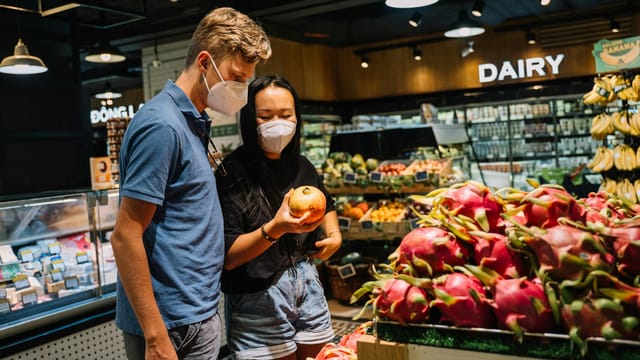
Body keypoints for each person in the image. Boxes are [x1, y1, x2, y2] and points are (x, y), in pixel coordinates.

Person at [110, 7, 271, 360]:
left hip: (195, 313)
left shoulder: (190, 123)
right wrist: (154, 336)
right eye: (236, 77)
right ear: (204, 62)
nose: (241, 89)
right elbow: (125, 234)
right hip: (171, 324)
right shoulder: (162, 126)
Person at [215, 75, 342, 360]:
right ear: (249, 120)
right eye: (265, 116)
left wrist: (334, 236)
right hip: (256, 296)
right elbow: (228, 256)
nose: (278, 123)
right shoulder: (232, 173)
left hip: (307, 283)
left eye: (286, 115)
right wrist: (275, 229)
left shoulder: (302, 165)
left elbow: (326, 202)